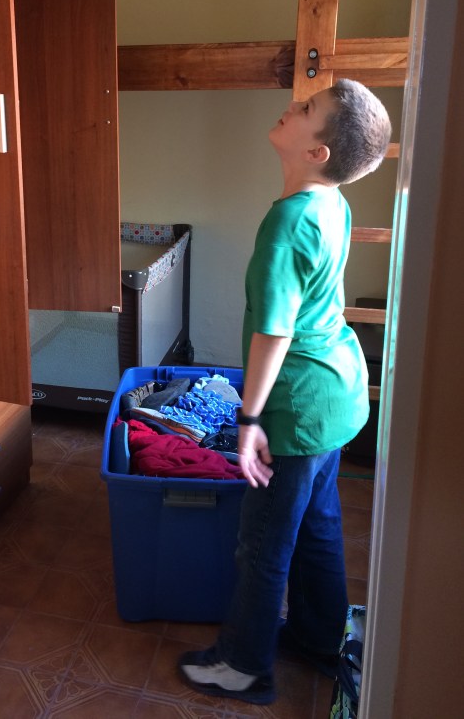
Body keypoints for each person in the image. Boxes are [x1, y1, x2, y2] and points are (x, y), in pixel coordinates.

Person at [178, 78, 392, 705]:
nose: (292, 106)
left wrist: (250, 420)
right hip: (339, 395)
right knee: (319, 525)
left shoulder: (289, 221)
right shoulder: (332, 202)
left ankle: (244, 666)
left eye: (307, 109)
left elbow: (274, 332)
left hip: (297, 407)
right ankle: (322, 638)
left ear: (317, 151)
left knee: (263, 543)